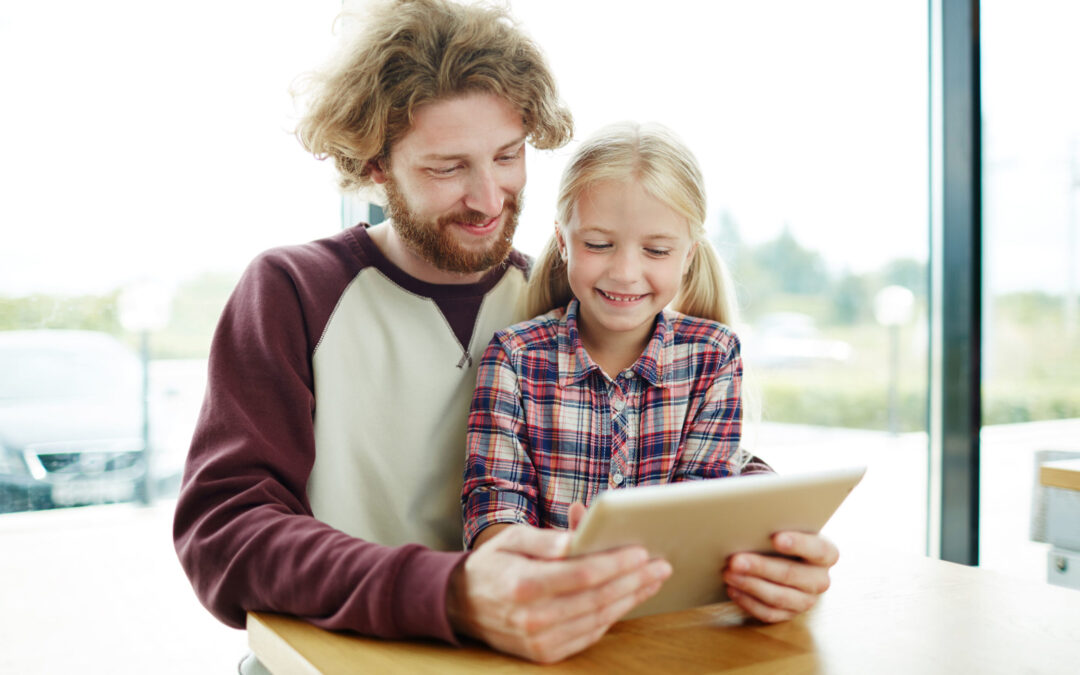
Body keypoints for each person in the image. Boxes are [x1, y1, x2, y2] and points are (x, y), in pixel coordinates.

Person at [173, 0, 672, 668]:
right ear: (376, 164)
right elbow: (225, 534)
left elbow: (677, 428)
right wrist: (452, 592)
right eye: (447, 168)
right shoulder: (293, 291)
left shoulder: (560, 297)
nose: (489, 198)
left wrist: (766, 535)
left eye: (507, 156)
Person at [462, 122, 839, 623]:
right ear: (563, 241)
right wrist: (547, 561)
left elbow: (706, 504)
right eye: (598, 244)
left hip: (673, 623)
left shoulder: (713, 356)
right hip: (551, 614)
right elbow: (494, 507)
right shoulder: (514, 357)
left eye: (656, 251)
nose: (624, 272)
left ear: (688, 255)